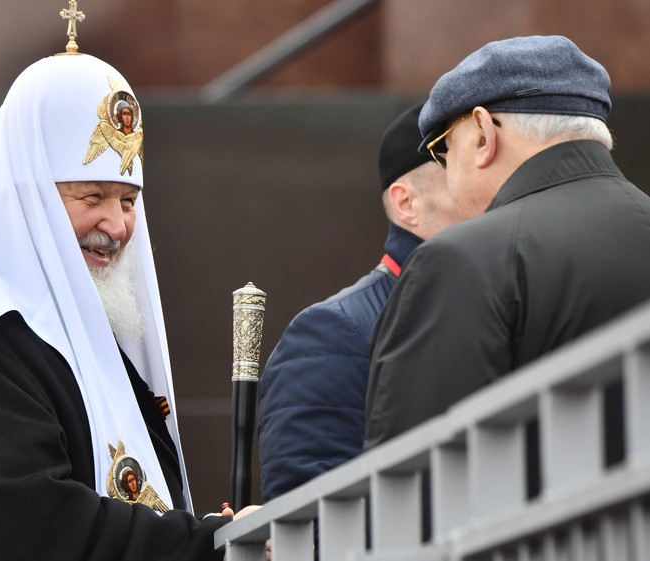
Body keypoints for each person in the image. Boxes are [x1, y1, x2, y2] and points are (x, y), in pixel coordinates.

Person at [0, 30, 255, 561]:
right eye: (92, 196)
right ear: (27, 199)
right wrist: (203, 547)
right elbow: (23, 533)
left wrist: (207, 534)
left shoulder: (99, 351)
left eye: (129, 201)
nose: (116, 226)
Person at [365, 35, 650, 450]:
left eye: (445, 152)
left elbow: (410, 480)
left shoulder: (462, 259)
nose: (449, 174)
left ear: (482, 134)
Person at [257, 103, 462, 501]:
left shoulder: (494, 300)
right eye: (460, 173)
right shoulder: (331, 335)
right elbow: (310, 520)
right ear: (406, 204)